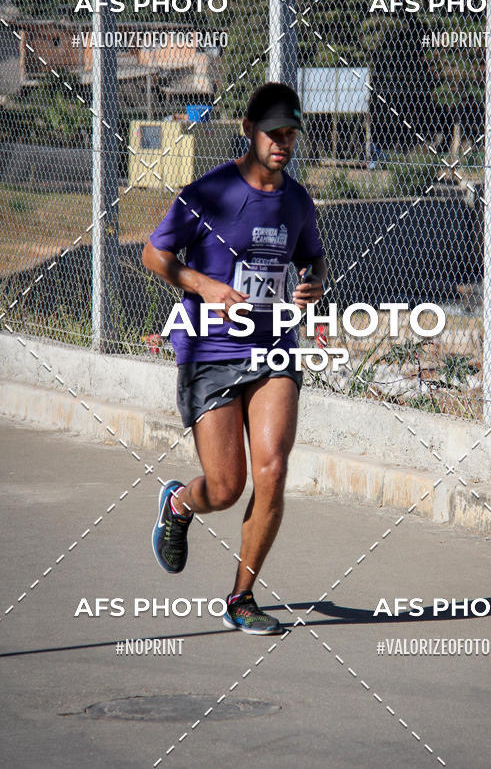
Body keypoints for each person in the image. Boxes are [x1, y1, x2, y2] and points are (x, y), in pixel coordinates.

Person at [142, 82, 327, 635]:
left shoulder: (296, 200)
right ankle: (179, 504)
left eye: (291, 134)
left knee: (271, 471)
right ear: (249, 131)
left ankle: (241, 597)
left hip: (273, 347)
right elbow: (155, 252)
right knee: (224, 488)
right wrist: (205, 286)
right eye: (274, 133)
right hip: (211, 350)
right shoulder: (210, 191)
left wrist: (312, 287)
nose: (283, 143)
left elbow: (315, 262)